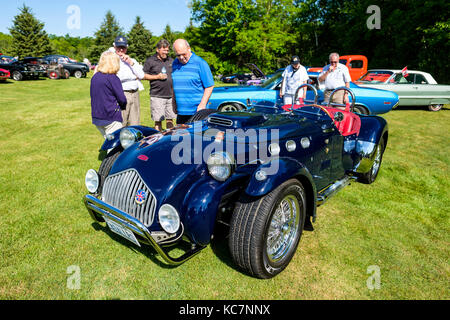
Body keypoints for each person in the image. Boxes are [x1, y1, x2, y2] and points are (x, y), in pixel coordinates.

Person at [171, 39, 215, 124]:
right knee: (181, 136)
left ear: (189, 48)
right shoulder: (175, 63)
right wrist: (174, 103)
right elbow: (175, 84)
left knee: (196, 137)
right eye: (178, 55)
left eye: (183, 54)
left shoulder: (200, 63)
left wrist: (202, 104)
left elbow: (209, 86)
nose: (181, 57)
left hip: (197, 113)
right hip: (181, 113)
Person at [90, 51, 127, 138]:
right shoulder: (113, 78)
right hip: (110, 117)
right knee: (114, 147)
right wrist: (123, 106)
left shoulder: (95, 77)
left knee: (109, 141)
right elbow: (122, 99)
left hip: (97, 117)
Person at [110, 35, 145, 127]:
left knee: (135, 123)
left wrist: (131, 63)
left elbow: (141, 75)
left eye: (123, 47)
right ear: (114, 47)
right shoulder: (112, 60)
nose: (121, 50)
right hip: (122, 93)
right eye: (119, 47)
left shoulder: (132, 60)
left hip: (134, 93)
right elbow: (118, 78)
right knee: (122, 123)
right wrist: (133, 76)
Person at [143, 39, 175, 131]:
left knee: (170, 119)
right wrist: (157, 77)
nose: (166, 52)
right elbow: (143, 76)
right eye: (164, 50)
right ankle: (158, 141)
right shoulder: (150, 61)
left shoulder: (171, 60)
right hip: (157, 96)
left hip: (170, 95)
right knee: (158, 121)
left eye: (167, 50)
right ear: (157, 49)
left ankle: (170, 139)